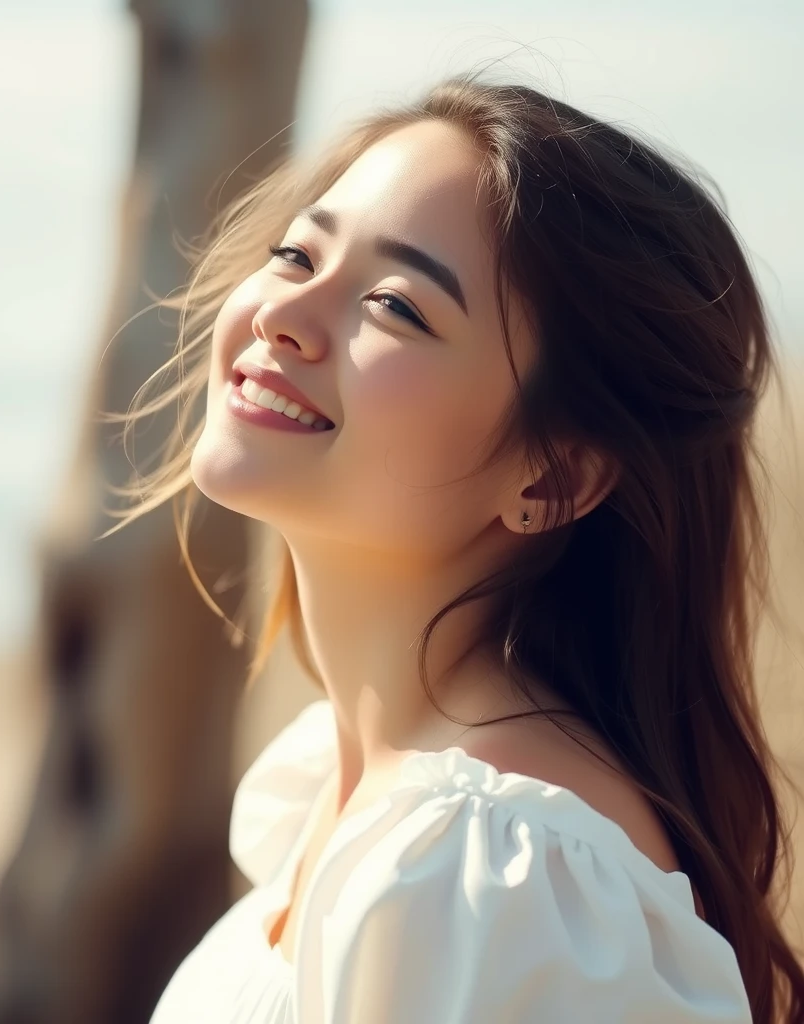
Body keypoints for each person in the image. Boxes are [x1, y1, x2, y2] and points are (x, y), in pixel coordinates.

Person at [103, 74, 804, 1022]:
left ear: (550, 477)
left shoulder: (487, 869)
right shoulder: (373, 795)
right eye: (297, 255)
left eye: (396, 306)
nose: (280, 316)